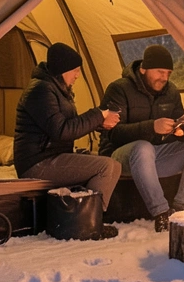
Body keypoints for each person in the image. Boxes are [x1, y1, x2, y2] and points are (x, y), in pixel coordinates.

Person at [100, 44, 184, 232]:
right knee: (143, 147)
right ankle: (161, 213)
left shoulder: (171, 91)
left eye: (168, 73)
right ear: (143, 69)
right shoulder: (119, 89)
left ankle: (183, 209)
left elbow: (179, 128)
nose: (165, 77)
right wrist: (151, 127)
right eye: (160, 72)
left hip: (155, 156)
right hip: (120, 158)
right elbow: (113, 133)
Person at [14, 43, 123, 234]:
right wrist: (99, 115)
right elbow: (62, 131)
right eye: (75, 70)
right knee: (105, 166)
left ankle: (87, 218)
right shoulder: (40, 91)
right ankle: (88, 223)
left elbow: (68, 124)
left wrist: (99, 123)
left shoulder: (56, 89)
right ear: (62, 70)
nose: (77, 75)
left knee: (113, 165)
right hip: (37, 162)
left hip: (52, 156)